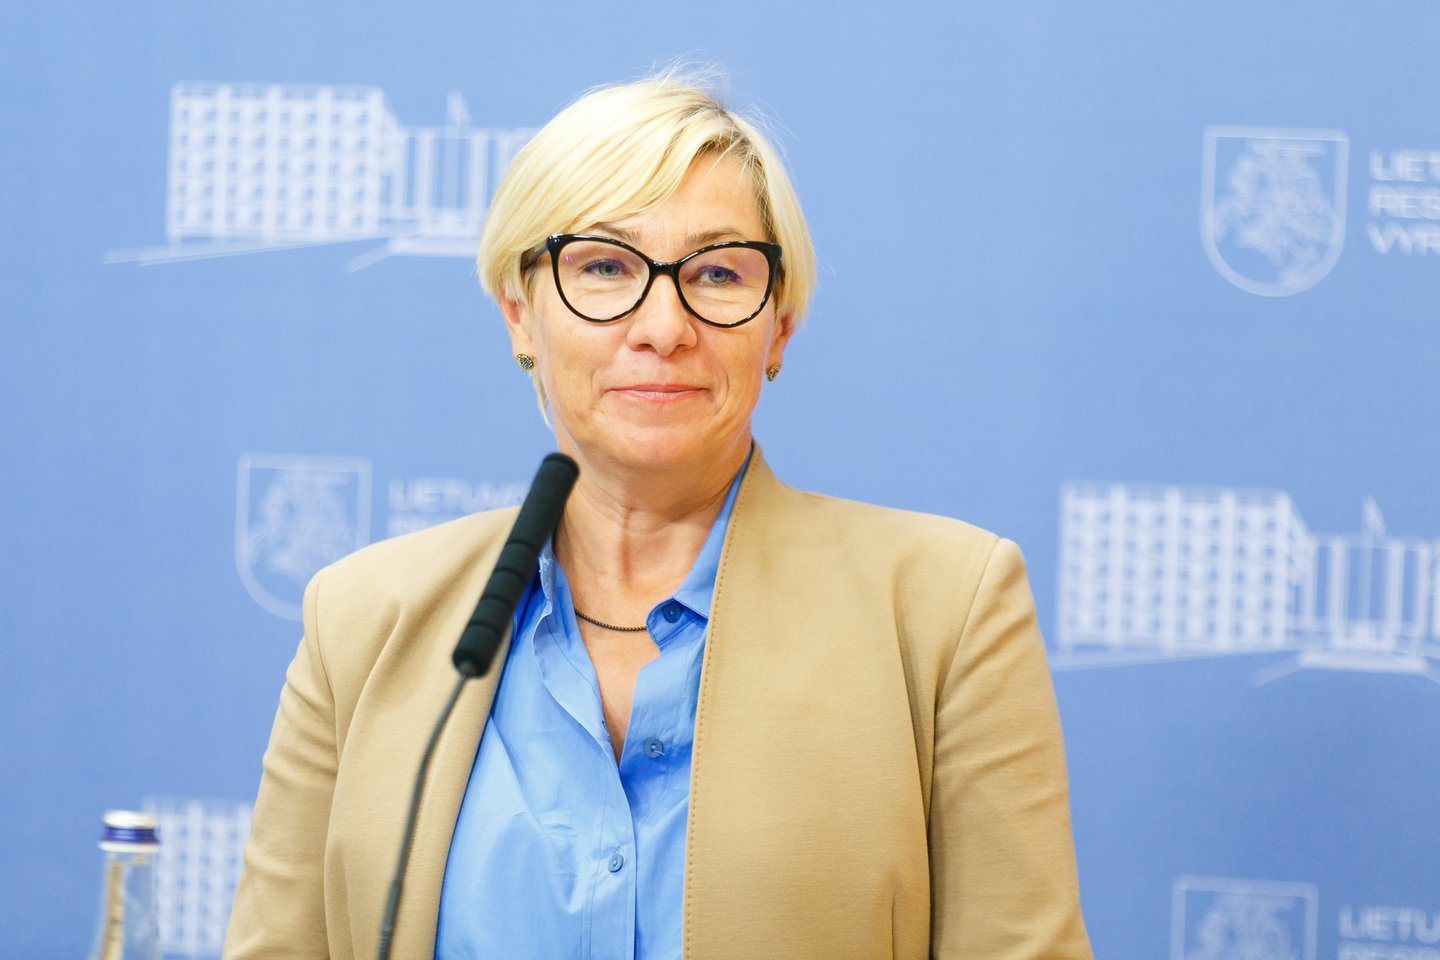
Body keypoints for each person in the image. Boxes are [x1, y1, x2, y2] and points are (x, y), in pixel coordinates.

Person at [224, 70, 1092, 960]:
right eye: (605, 267)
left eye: (717, 273)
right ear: (519, 315)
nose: (663, 326)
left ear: (780, 325)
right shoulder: (364, 620)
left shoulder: (944, 612)